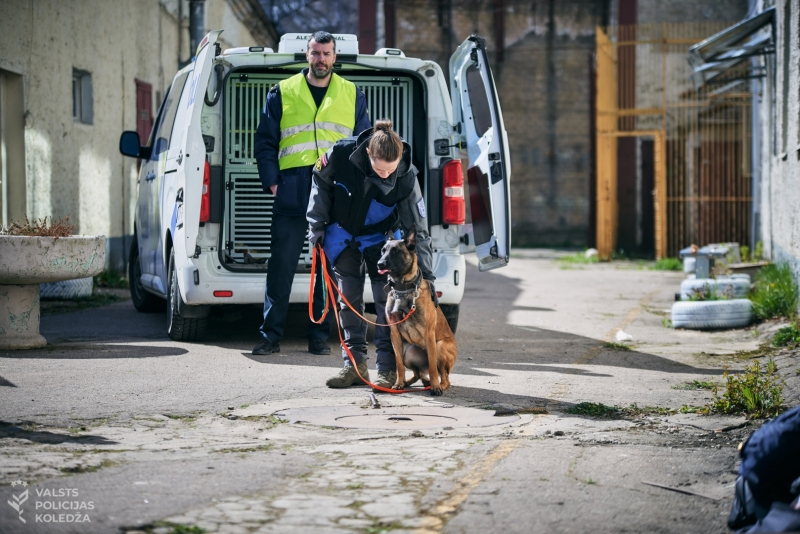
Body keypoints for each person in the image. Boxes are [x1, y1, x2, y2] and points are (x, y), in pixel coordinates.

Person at [252, 31, 372, 356]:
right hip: (291, 190)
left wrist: (355, 190)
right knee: (282, 266)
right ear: (307, 55)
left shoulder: (352, 93)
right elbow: (264, 141)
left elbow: (364, 144)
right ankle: (270, 337)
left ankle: (318, 337)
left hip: (332, 194)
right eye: (316, 53)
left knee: (325, 268)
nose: (321, 59)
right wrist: (272, 181)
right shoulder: (282, 91)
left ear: (335, 57)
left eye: (327, 53)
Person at [306, 119, 437, 389]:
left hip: (382, 240)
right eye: (379, 169)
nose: (386, 175)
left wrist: (429, 276)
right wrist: (316, 225)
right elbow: (319, 180)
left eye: (391, 171)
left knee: (386, 306)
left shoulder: (407, 177)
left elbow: (420, 232)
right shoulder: (341, 154)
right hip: (342, 235)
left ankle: (387, 369)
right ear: (367, 154)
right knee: (348, 302)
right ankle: (353, 366)